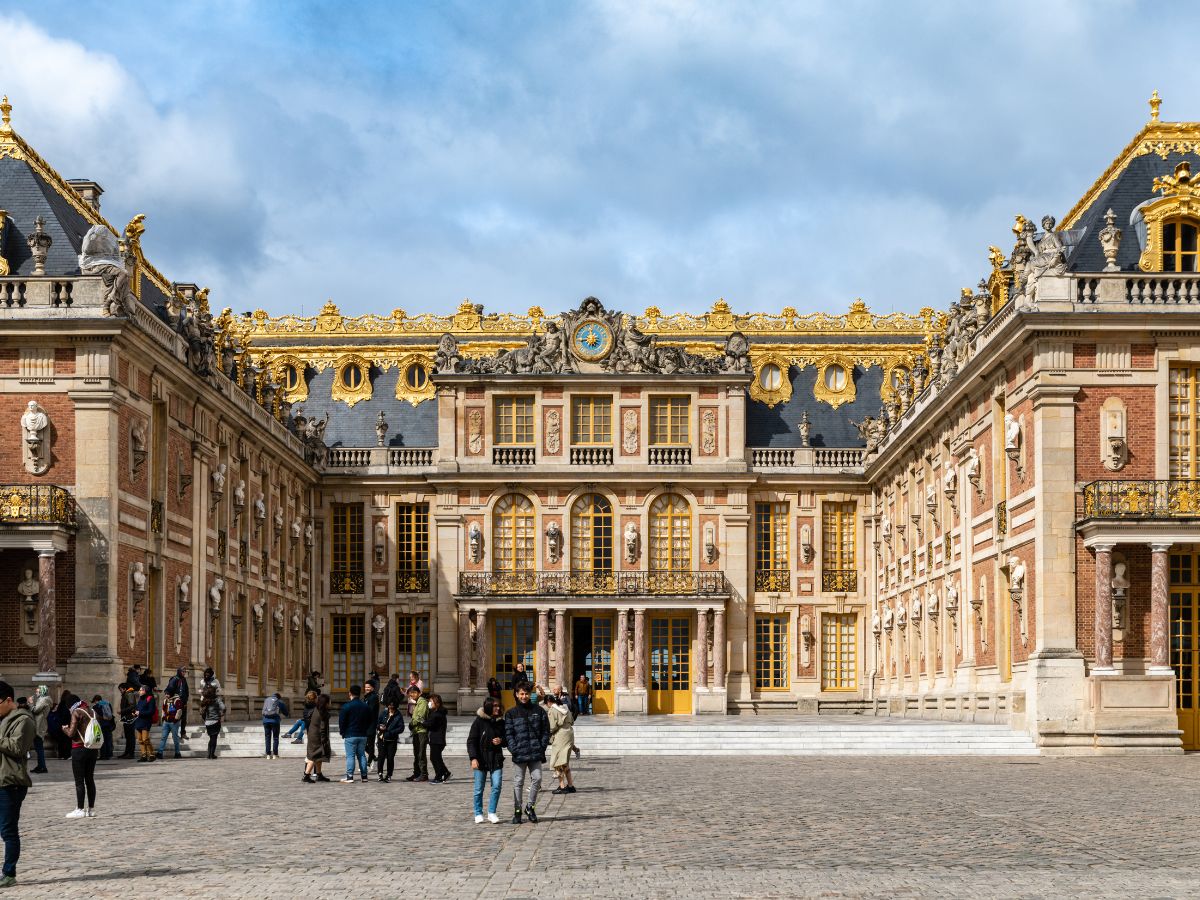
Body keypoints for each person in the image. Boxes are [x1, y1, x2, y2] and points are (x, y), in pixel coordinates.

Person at [0, 680, 36, 888]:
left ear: (8, 700)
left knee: (8, 830)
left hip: (11, 782)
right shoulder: (2, 718)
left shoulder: (23, 720)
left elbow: (17, 748)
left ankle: (9, 873)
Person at [503, 681, 550, 824]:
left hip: (535, 751)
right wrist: (514, 749)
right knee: (518, 782)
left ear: (531, 695)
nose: (524, 696)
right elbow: (509, 734)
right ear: (517, 695)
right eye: (522, 694)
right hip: (520, 753)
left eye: (527, 694)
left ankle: (530, 807)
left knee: (537, 778)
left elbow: (545, 731)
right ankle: (517, 810)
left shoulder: (539, 711)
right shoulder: (511, 713)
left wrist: (541, 747)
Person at [467, 697, 506, 824]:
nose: (497, 708)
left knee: (497, 785)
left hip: (496, 758)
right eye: (495, 706)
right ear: (488, 706)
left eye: (499, 706)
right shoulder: (478, 721)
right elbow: (471, 741)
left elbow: (507, 738)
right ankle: (478, 813)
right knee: (479, 788)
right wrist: (473, 758)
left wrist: (501, 741)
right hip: (480, 758)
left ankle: (491, 812)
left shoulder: (501, 722)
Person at [63, 700, 99, 818]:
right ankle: (91, 809)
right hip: (92, 749)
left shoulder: (77, 712)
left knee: (79, 781)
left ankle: (80, 809)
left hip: (79, 749)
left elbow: (71, 734)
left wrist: (65, 729)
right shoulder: (93, 712)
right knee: (90, 779)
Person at [337, 685, 372, 783]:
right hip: (363, 734)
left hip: (350, 734)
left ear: (350, 693)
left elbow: (342, 722)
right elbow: (370, 720)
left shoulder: (346, 706)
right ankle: (364, 776)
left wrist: (342, 732)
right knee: (362, 755)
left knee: (350, 756)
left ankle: (350, 776)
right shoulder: (365, 706)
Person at [546, 692, 578, 795]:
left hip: (560, 736)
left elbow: (552, 727)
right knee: (565, 762)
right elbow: (572, 721)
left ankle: (562, 786)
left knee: (558, 762)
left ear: (548, 702)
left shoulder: (553, 709)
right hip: (569, 733)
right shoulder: (566, 708)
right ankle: (570, 785)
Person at [302, 693, 332, 784]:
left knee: (319, 755)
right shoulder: (323, 713)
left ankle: (319, 774)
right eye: (329, 702)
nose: (330, 703)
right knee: (314, 755)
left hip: (312, 734)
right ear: (325, 703)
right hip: (317, 736)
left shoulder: (315, 709)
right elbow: (323, 728)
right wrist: (324, 740)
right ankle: (306, 775)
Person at [405, 685, 429, 783]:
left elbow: (420, 717)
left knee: (421, 753)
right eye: (411, 694)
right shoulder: (417, 703)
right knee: (416, 753)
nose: (412, 695)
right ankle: (417, 773)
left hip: (421, 731)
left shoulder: (422, 702)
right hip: (416, 731)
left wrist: (412, 723)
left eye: (414, 693)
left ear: (419, 693)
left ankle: (424, 774)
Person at [376, 701, 404, 783]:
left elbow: (401, 728)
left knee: (390, 758)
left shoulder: (398, 715)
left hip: (392, 740)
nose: (390, 707)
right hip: (382, 739)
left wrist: (390, 731)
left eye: (392, 705)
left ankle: (389, 775)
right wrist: (380, 727)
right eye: (389, 705)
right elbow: (377, 723)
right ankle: (380, 774)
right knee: (381, 757)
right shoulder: (384, 713)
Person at [426, 694, 450, 784]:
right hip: (435, 739)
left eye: (431, 702)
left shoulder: (438, 714)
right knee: (436, 758)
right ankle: (446, 773)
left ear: (437, 703)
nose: (429, 703)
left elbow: (430, 724)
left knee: (435, 758)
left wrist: (422, 722)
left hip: (437, 740)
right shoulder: (435, 713)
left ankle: (439, 776)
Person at [29, 688, 50, 774]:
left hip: (39, 726)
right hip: (39, 725)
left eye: (38, 691)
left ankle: (42, 767)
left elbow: (35, 710)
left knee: (39, 747)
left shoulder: (43, 700)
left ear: (42, 692)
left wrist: (30, 703)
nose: (36, 693)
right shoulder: (42, 700)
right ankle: (40, 766)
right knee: (38, 748)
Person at [200, 687, 225, 760]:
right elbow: (223, 707)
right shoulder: (217, 700)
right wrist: (221, 714)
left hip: (207, 722)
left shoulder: (205, 700)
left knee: (211, 738)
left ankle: (209, 754)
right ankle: (212, 754)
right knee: (214, 738)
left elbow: (202, 712)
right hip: (215, 721)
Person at [133, 684, 157, 763]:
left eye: (141, 690)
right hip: (139, 721)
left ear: (145, 691)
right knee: (140, 740)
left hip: (146, 721)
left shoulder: (150, 699)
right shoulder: (140, 699)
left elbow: (151, 711)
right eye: (139, 690)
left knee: (145, 739)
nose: (139, 691)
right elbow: (138, 708)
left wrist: (140, 713)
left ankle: (152, 754)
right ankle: (143, 755)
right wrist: (135, 712)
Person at [262, 692, 289, 759]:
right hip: (275, 721)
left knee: (267, 737)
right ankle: (275, 754)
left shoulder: (267, 700)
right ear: (279, 697)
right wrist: (285, 714)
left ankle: (268, 754)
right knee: (275, 737)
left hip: (266, 721)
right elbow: (286, 712)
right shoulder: (279, 701)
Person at [157, 692, 183, 759]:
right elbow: (163, 710)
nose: (166, 695)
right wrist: (163, 718)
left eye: (167, 694)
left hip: (173, 722)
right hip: (166, 722)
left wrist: (175, 719)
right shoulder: (165, 700)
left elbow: (179, 710)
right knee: (163, 737)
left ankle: (177, 753)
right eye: (165, 694)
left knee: (175, 738)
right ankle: (160, 753)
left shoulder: (177, 700)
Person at [362, 681, 380, 769]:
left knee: (370, 743)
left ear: (373, 688)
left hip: (371, 723)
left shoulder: (373, 697)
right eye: (365, 687)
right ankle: (374, 758)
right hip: (365, 724)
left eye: (368, 687)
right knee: (364, 744)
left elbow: (371, 710)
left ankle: (369, 762)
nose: (366, 689)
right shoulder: (367, 697)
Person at [165, 667, 190, 732]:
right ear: (179, 671)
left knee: (183, 718)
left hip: (183, 701)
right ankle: (175, 733)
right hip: (176, 701)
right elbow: (170, 687)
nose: (184, 673)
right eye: (183, 671)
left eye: (185, 672)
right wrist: (167, 693)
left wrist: (186, 698)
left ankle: (183, 733)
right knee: (176, 717)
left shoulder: (184, 679)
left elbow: (186, 690)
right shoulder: (174, 679)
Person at [91, 694, 115, 760]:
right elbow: (111, 714)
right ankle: (109, 754)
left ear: (96, 700)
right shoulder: (108, 704)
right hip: (109, 724)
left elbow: (95, 716)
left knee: (102, 740)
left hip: (101, 725)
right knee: (108, 740)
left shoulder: (96, 706)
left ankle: (103, 755)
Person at [118, 683, 138, 759]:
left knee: (130, 736)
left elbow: (132, 706)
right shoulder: (126, 694)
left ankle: (131, 753)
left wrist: (122, 711)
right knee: (128, 736)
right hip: (126, 718)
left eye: (120, 689)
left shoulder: (129, 694)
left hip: (130, 718)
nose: (120, 691)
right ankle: (127, 752)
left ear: (124, 688)